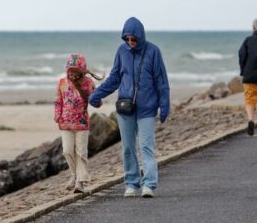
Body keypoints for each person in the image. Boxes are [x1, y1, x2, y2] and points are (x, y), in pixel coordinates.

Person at [89, 17, 170, 199]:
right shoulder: (122, 51)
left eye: (134, 39)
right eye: (128, 39)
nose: (131, 43)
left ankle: (149, 184)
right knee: (127, 148)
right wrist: (97, 94)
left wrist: (165, 104)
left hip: (147, 108)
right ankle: (132, 183)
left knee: (146, 146)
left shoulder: (153, 52)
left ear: (140, 37)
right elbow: (114, 78)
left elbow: (161, 81)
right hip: (126, 108)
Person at [54, 54, 102, 194]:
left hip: (82, 123)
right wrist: (57, 114)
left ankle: (80, 182)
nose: (73, 74)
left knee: (81, 152)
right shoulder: (62, 82)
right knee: (67, 150)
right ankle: (74, 175)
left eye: (76, 71)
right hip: (65, 123)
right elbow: (58, 101)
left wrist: (97, 100)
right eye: (71, 71)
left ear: (82, 71)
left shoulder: (88, 83)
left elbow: (95, 101)